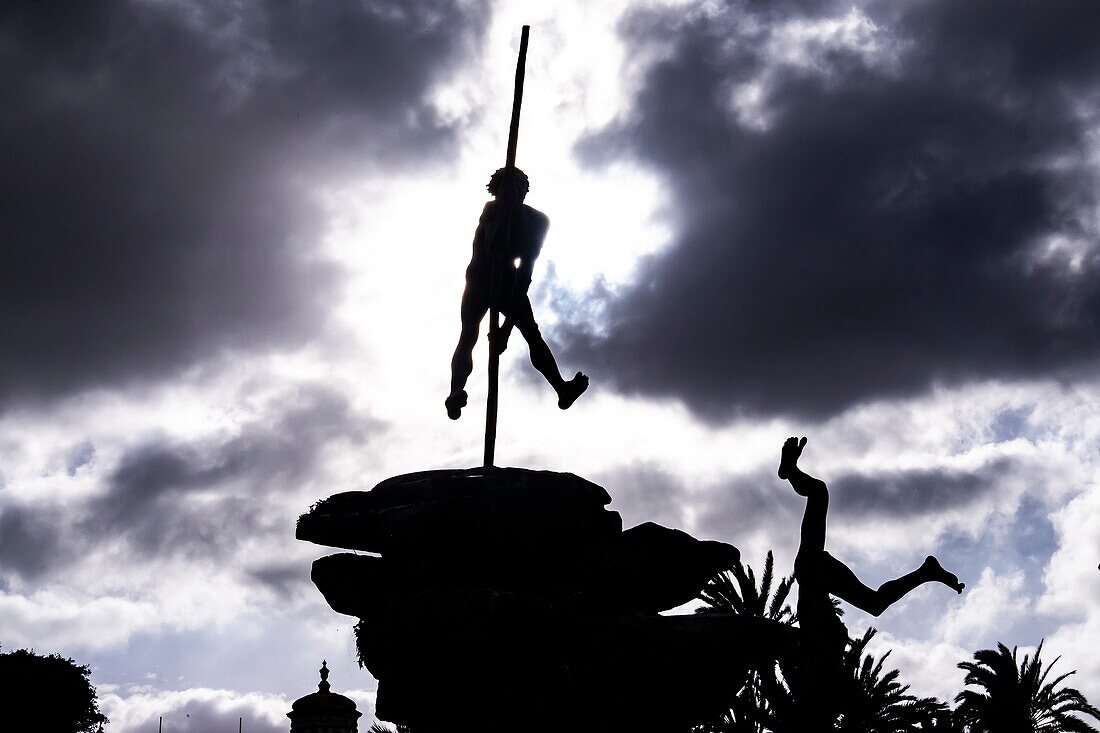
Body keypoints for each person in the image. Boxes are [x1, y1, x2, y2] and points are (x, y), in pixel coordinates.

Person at [778, 436, 965, 724]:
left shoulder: (816, 668)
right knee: (874, 602)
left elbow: (795, 665)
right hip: (813, 575)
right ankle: (925, 572)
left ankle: (925, 572)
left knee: (819, 494)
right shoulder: (821, 668)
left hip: (814, 576)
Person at [446, 167, 588, 419]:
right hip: (479, 279)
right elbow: (492, 247)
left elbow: (526, 271)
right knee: (468, 334)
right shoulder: (491, 210)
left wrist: (505, 331)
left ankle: (562, 390)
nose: (515, 192)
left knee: (532, 334)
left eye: (520, 186)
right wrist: (504, 212)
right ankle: (455, 393)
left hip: (511, 284)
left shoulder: (538, 220)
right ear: (497, 190)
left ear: (526, 189)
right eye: (507, 187)